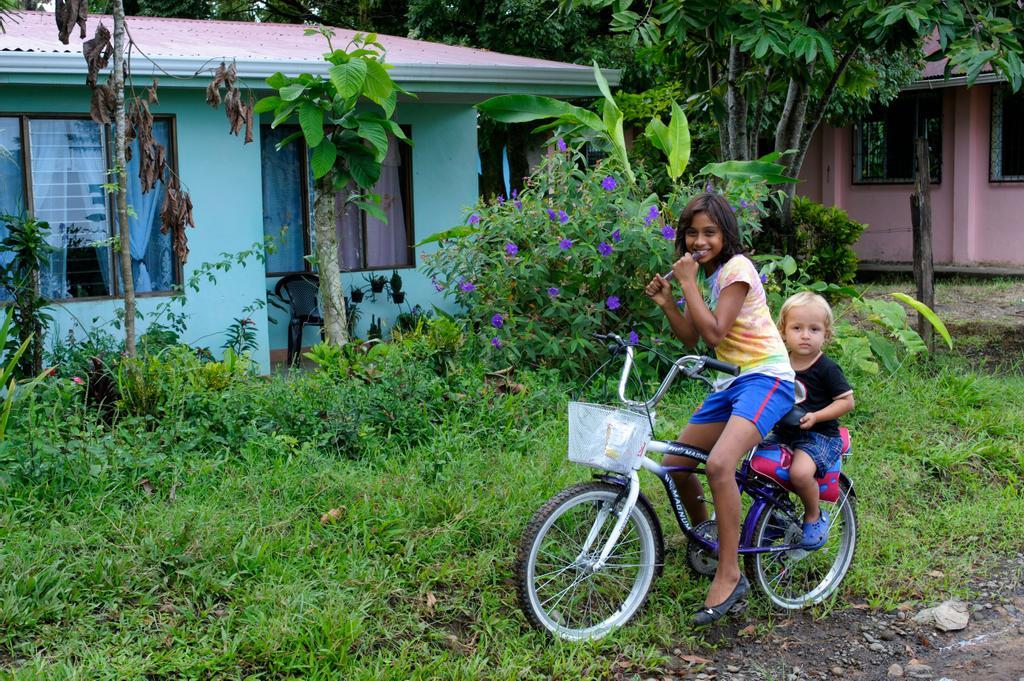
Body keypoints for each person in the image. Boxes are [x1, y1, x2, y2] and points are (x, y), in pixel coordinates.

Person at [644, 192, 795, 625]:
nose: (699, 240)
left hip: (767, 378)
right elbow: (692, 337)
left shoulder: (738, 269)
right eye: (692, 232)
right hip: (731, 382)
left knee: (719, 465)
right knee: (675, 464)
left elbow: (714, 334)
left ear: (725, 233)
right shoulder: (711, 276)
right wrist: (669, 302)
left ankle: (731, 573)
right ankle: (710, 537)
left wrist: (688, 283)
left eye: (709, 232)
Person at [770, 291, 855, 549]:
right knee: (754, 466)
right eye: (797, 328)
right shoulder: (780, 363)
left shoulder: (826, 368)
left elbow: (846, 401)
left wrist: (816, 416)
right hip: (785, 432)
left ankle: (813, 515)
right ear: (783, 331)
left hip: (819, 435)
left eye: (814, 329)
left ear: (826, 334)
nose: (805, 335)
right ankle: (778, 514)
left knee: (799, 472)